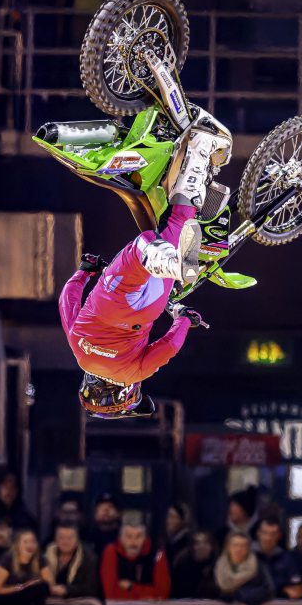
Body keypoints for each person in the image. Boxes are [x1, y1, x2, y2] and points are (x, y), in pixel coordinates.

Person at [57, 131, 225, 419]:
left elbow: (169, 346)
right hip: (110, 295)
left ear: (125, 393)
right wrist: (85, 271)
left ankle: (199, 153)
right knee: (141, 247)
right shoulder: (79, 352)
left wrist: (184, 318)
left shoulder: (135, 371)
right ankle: (165, 256)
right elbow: (67, 301)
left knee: (177, 223)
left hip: (148, 306)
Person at [99, 516, 170, 600]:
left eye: (138, 536)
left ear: (145, 538)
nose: (133, 542)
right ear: (120, 538)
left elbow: (162, 594)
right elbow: (111, 595)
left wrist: (131, 587)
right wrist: (147, 594)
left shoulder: (158, 554)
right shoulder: (111, 551)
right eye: (128, 536)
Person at [212, 532, 273, 604]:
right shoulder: (217, 565)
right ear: (228, 547)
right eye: (235, 545)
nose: (239, 549)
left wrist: (238, 595)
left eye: (243, 546)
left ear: (249, 548)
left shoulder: (258, 566)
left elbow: (268, 591)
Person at [42, 522, 99, 599]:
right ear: (55, 540)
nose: (65, 541)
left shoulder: (89, 559)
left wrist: (67, 590)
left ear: (77, 540)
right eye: (61, 538)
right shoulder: (44, 558)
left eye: (70, 538)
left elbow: (91, 589)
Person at [255, 516, 302, 599]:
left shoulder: (288, 559)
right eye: (264, 533)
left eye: (273, 534)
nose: (268, 538)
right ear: (258, 533)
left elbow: (297, 590)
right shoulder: (248, 556)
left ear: (279, 535)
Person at [170, 531, 218, 599]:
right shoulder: (181, 565)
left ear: (212, 546)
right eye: (197, 543)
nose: (201, 546)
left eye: (206, 543)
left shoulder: (217, 566)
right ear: (192, 546)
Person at [164, 503, 194, 569]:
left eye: (171, 516)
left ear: (182, 520)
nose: (167, 521)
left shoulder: (188, 541)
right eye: (167, 516)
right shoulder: (168, 540)